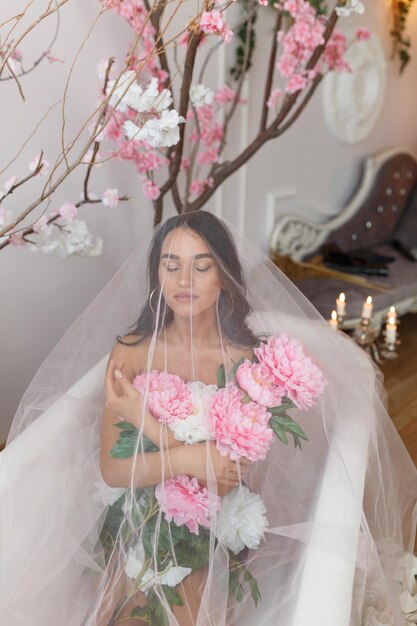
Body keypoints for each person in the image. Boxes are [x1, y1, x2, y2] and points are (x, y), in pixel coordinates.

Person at [0, 210, 416, 626]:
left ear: (225, 278)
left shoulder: (248, 363)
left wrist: (145, 422)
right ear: (156, 275)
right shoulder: (130, 351)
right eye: (171, 265)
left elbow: (223, 475)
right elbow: (112, 469)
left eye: (201, 267)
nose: (184, 281)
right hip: (134, 518)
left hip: (209, 526)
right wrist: (183, 458)